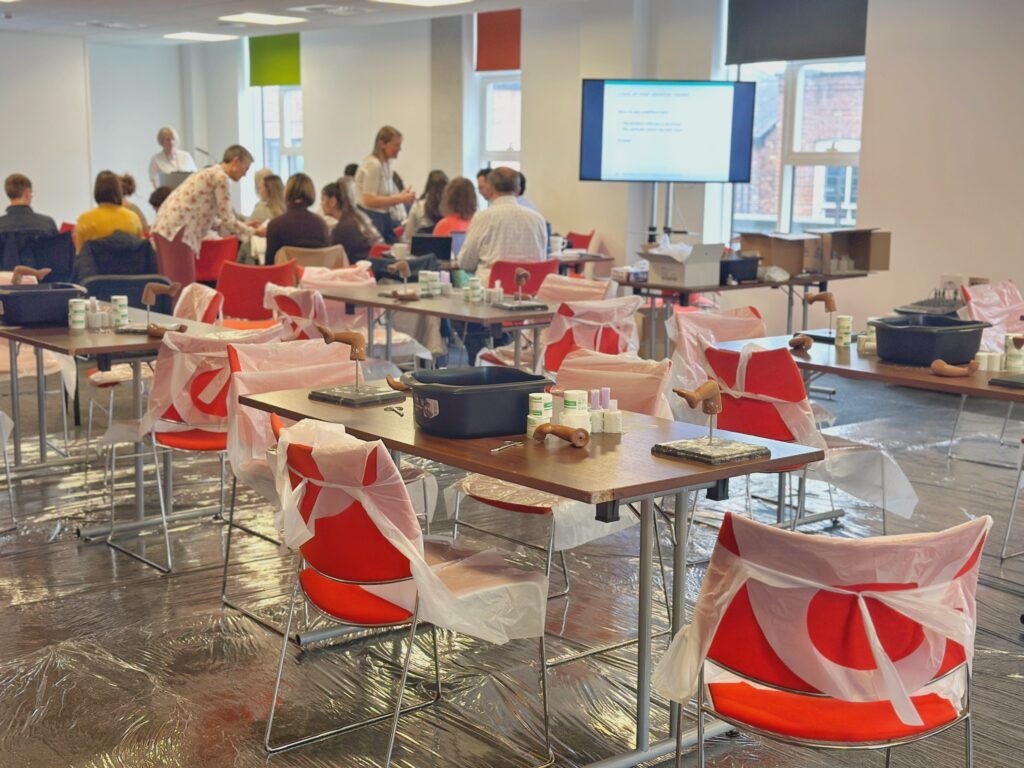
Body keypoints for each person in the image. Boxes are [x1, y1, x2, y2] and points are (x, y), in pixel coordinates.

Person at [152, 144, 260, 259]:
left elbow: (208, 217)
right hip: (178, 231)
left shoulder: (209, 172)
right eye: (246, 168)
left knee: (172, 271)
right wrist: (255, 232)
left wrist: (243, 225)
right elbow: (227, 219)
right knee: (182, 271)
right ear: (236, 161)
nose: (245, 174)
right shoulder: (221, 177)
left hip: (165, 228)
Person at [457, 166, 547, 284]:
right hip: (529, 287)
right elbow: (542, 259)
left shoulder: (482, 218)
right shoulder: (538, 219)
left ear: (490, 189)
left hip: (491, 289)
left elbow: (465, 263)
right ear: (518, 190)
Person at [355, 126, 415, 244]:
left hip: (384, 216)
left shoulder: (387, 164)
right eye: (396, 145)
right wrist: (400, 199)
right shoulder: (373, 165)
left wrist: (401, 196)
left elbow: (384, 195)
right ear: (382, 144)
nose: (399, 149)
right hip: (372, 217)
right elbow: (368, 200)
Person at [265, 173, 330, 263]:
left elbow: (270, 265)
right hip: (314, 271)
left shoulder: (275, 225)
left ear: (287, 192)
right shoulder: (321, 224)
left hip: (288, 272)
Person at [74, 171, 143, 251]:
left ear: (96, 190)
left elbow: (80, 254)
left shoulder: (84, 220)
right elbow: (140, 251)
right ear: (119, 190)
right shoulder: (134, 219)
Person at [324, 180, 381, 262]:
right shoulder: (359, 217)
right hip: (370, 265)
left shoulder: (342, 228)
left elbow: (332, 259)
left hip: (355, 267)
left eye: (323, 200)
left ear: (332, 201)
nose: (321, 204)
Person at [402, 170, 448, 242]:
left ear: (428, 186)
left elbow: (408, 236)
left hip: (421, 248)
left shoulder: (418, 206)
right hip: (445, 248)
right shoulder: (450, 208)